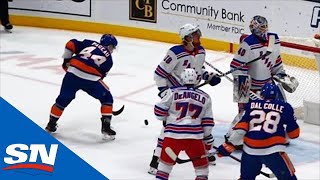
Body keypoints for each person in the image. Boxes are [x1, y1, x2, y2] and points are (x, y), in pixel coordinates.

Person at [149, 23, 221, 175]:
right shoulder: (175, 52)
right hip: (174, 93)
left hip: (191, 91)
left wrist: (208, 76)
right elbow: (159, 74)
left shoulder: (201, 51)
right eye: (196, 34)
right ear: (187, 38)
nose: (199, 36)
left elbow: (198, 70)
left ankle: (201, 153)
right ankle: (156, 159)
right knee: (169, 126)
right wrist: (165, 93)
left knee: (194, 121)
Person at [225, 15, 298, 147]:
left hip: (268, 85)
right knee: (245, 112)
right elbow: (236, 67)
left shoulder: (274, 39)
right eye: (261, 28)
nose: (264, 30)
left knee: (278, 108)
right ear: (254, 29)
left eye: (265, 27)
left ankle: (280, 135)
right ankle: (233, 137)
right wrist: (245, 90)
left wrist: (281, 75)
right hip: (247, 84)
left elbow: (276, 61)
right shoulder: (247, 44)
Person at [217, 83, 300, 180]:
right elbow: (294, 134)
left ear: (261, 95)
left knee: (246, 178)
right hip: (273, 151)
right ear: (277, 95)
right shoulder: (285, 107)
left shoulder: (251, 105)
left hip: (250, 152)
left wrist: (229, 145)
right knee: (289, 178)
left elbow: (241, 128)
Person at [45, 34, 118, 140]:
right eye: (112, 47)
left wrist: (66, 61)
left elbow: (70, 44)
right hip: (90, 79)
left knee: (63, 99)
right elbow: (100, 77)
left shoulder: (89, 43)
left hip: (72, 73)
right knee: (107, 98)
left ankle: (51, 124)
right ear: (109, 46)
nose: (112, 50)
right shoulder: (109, 60)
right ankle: (106, 126)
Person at [155, 68, 215, 180]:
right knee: (202, 171)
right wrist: (207, 139)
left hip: (172, 137)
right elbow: (208, 123)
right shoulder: (205, 97)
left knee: (163, 169)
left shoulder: (172, 92)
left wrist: (167, 120)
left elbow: (158, 110)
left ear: (182, 78)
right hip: (194, 138)